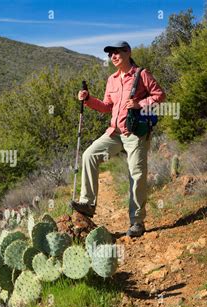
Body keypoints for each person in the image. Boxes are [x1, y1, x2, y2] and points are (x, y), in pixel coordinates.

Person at [71, 41, 166, 237]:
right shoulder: (112, 79)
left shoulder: (141, 74)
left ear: (128, 52)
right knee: (89, 155)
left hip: (135, 133)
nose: (113, 56)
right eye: (110, 54)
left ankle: (137, 222)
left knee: (136, 175)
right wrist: (88, 99)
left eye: (116, 52)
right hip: (114, 132)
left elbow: (160, 95)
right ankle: (88, 204)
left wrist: (140, 103)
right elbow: (107, 106)